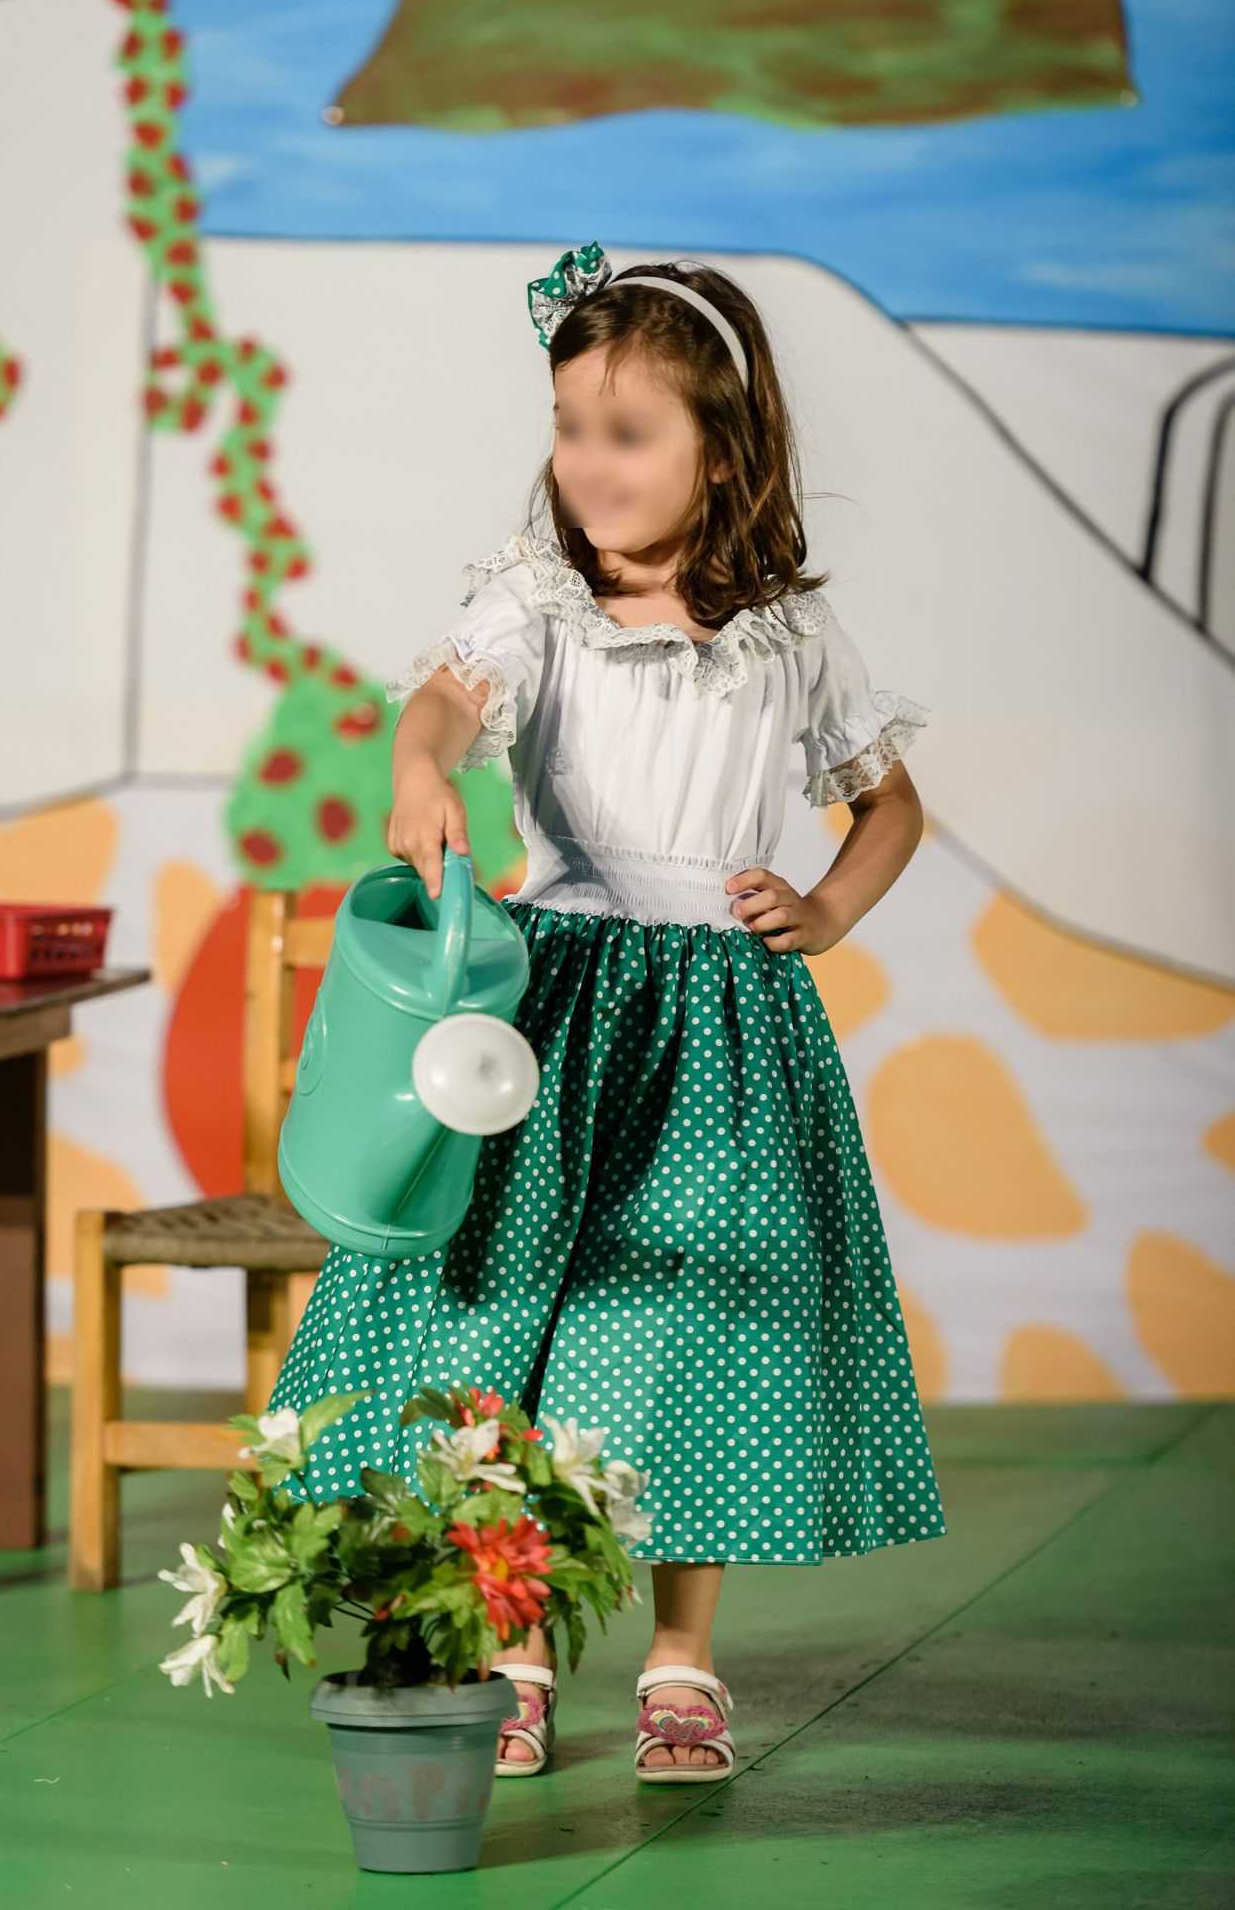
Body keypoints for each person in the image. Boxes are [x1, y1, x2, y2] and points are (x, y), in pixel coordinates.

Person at [267, 239, 948, 1783]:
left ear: (727, 449)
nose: (589, 462)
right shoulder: (542, 605)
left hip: (724, 1031)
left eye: (628, 432)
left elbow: (890, 806)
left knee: (686, 1325)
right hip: (561, 1010)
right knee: (523, 1313)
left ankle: (682, 1655)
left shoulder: (789, 634)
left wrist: (828, 909)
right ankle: (515, 1643)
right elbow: (445, 701)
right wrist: (421, 767)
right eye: (571, 426)